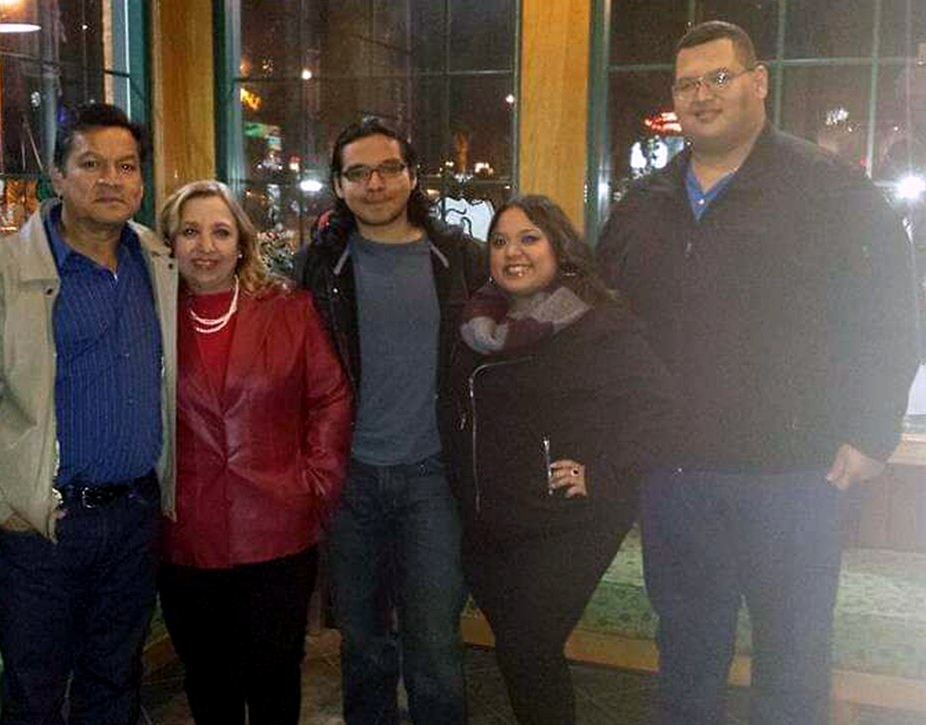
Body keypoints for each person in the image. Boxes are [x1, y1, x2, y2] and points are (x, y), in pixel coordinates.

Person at [597, 21, 918, 725]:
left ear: (758, 81)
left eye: (719, 77)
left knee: (793, 662)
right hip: (676, 477)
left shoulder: (830, 190)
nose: (702, 95)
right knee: (685, 657)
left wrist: (870, 433)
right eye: (687, 83)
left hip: (795, 476)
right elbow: (608, 327)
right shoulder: (643, 205)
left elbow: (894, 314)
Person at [0, 103, 177, 724]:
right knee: (34, 697)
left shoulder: (157, 264)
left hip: (134, 518)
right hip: (40, 528)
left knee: (115, 687)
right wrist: (5, 507)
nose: (110, 179)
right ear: (55, 175)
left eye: (126, 166)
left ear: (140, 180)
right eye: (90, 164)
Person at [440, 195, 678, 724]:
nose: (512, 252)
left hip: (567, 523)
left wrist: (604, 469)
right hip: (489, 521)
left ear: (559, 248)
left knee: (526, 646)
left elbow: (659, 409)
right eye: (500, 241)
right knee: (523, 654)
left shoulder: (598, 324)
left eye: (529, 238)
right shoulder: (477, 321)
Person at [297, 116, 487, 724]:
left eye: (388, 169)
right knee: (364, 645)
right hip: (349, 479)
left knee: (434, 648)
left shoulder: (460, 259)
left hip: (433, 478)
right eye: (358, 173)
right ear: (339, 184)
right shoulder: (319, 268)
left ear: (411, 177)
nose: (374, 184)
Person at [156, 180, 353, 724]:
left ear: (242, 242)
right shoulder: (150, 316)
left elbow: (331, 399)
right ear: (169, 243)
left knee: (274, 676)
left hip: (278, 530)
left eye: (220, 232)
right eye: (189, 232)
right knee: (207, 678)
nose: (205, 246)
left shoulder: (289, 309)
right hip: (185, 535)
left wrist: (314, 483)